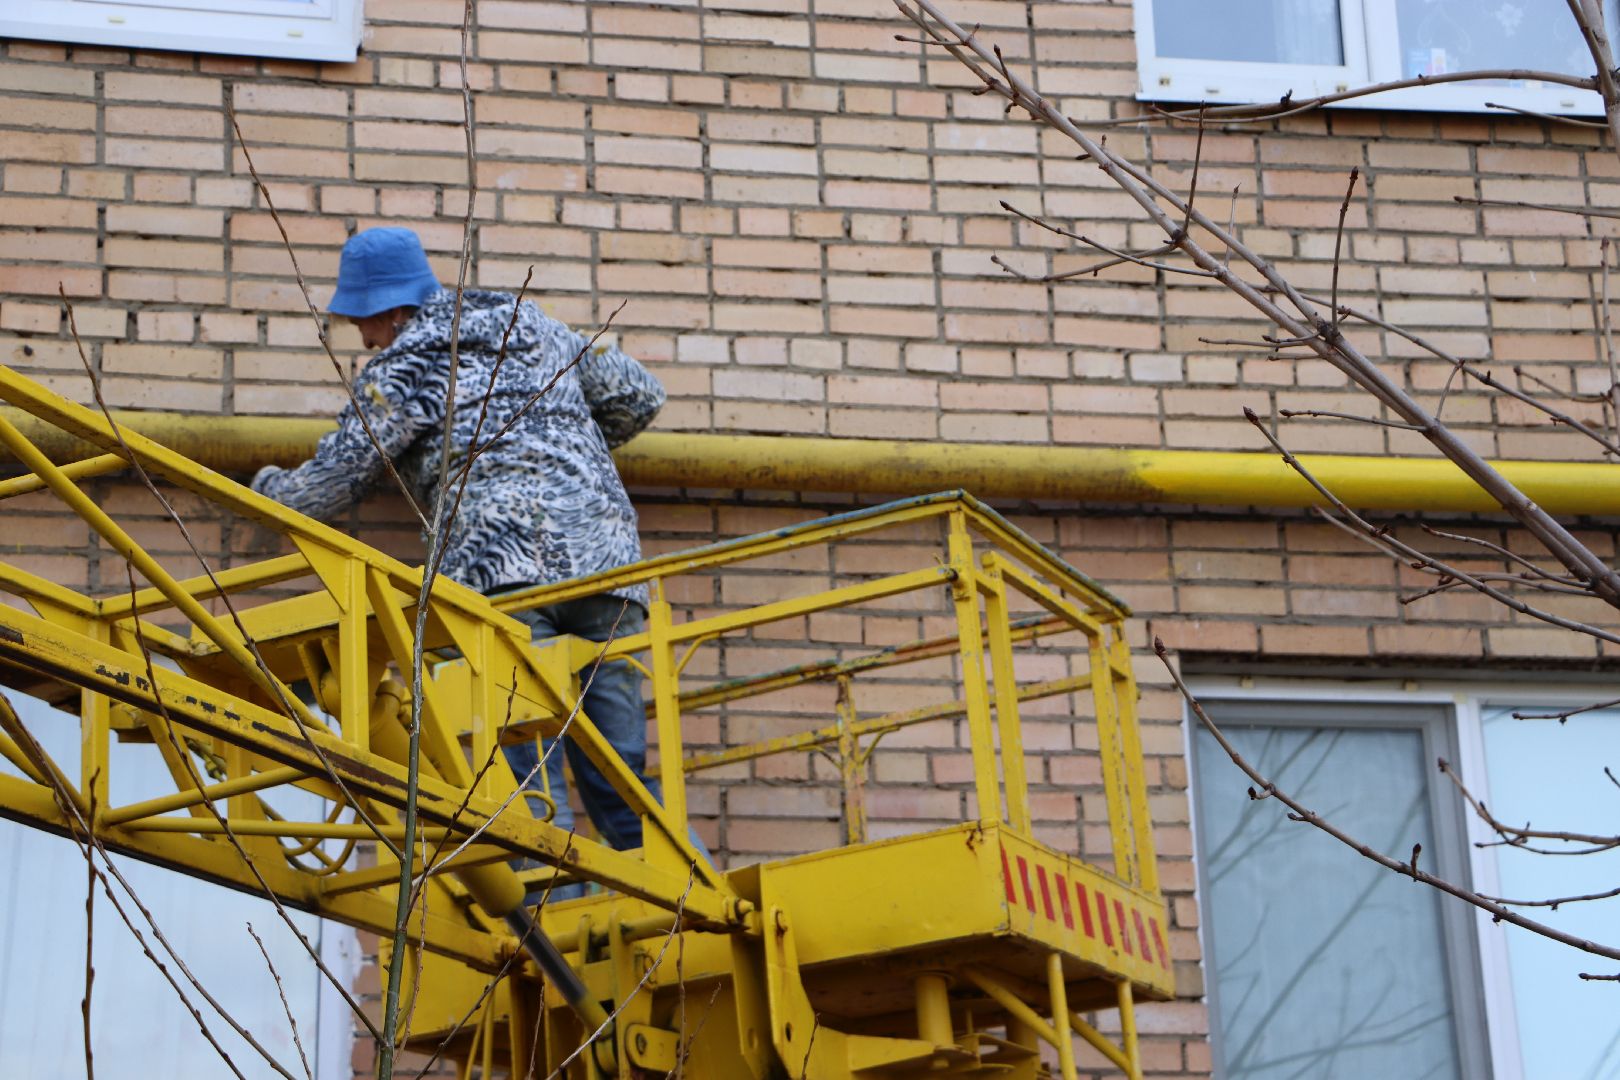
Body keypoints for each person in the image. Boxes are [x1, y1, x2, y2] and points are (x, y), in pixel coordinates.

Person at [251, 226, 671, 863]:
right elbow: (640, 395)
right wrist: (560, 453)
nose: (363, 340)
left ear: (392, 310)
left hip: (505, 575)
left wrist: (261, 492)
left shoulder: (408, 360)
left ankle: (552, 933)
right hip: (606, 568)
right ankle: (684, 908)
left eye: (362, 321)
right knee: (624, 785)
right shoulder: (526, 323)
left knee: (528, 786)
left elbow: (336, 479)